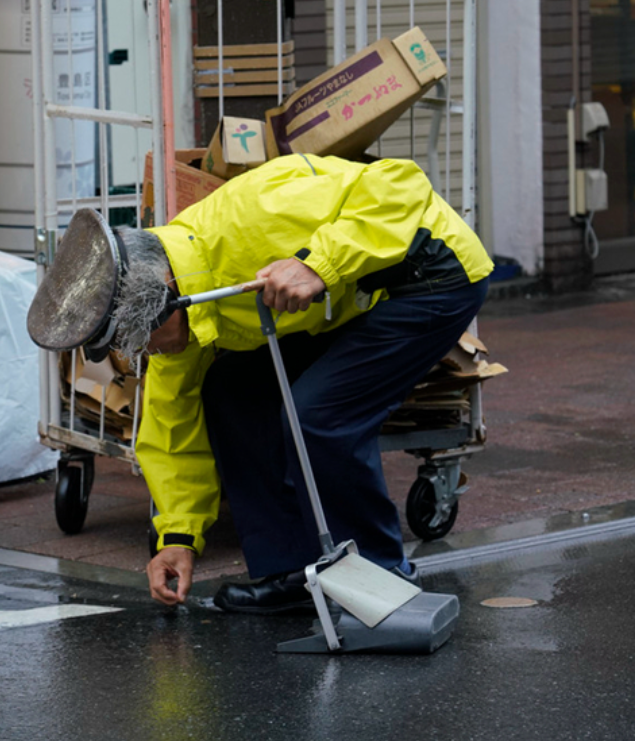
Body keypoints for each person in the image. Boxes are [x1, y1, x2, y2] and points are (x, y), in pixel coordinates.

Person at [27, 153, 493, 614]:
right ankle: (296, 572)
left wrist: (317, 263)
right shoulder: (177, 325)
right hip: (354, 297)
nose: (146, 355)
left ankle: (384, 583)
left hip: (430, 274)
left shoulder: (254, 215)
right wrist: (177, 539)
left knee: (319, 418)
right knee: (230, 390)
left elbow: (402, 181)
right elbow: (172, 428)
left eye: (142, 341)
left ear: (167, 299)